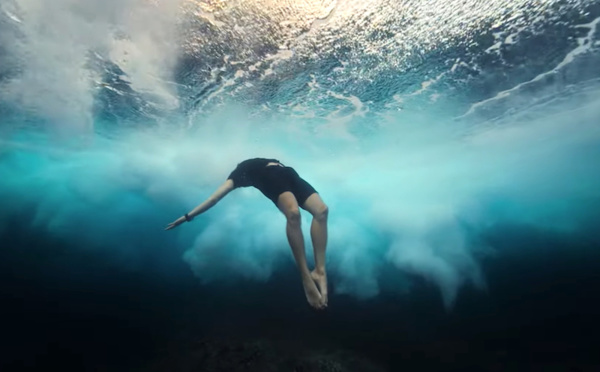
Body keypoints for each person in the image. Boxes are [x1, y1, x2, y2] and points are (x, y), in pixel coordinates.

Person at [165, 158, 329, 310]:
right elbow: (214, 199)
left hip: (289, 173)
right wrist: (188, 217)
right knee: (293, 214)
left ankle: (319, 270)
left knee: (322, 211)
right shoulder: (237, 175)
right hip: (271, 178)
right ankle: (305, 276)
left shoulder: (250, 165)